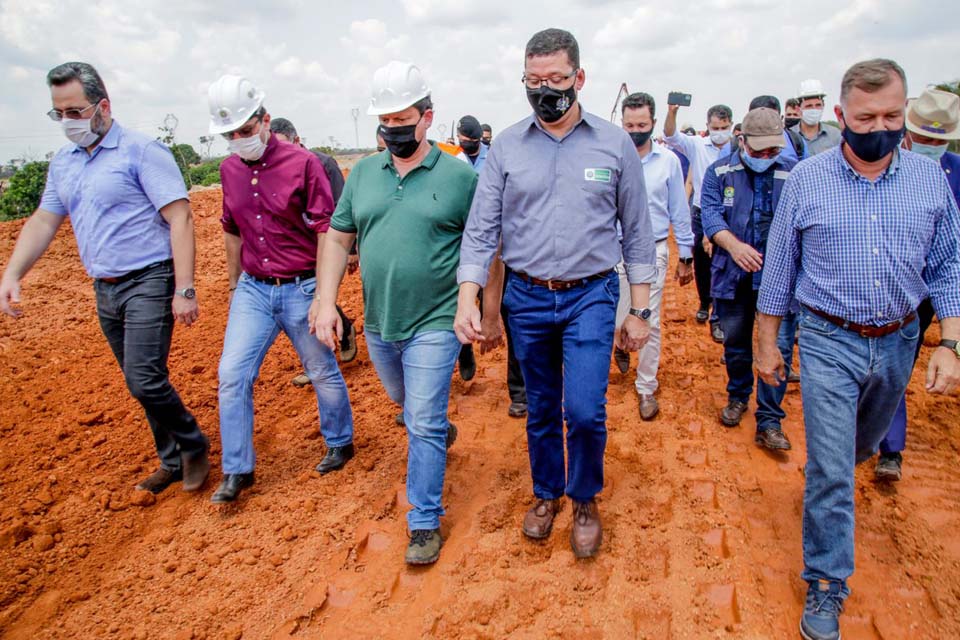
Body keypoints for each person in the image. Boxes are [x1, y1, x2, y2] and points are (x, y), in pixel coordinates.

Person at [756, 59, 960, 640]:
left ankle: (836, 477)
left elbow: (948, 265)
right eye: (867, 116)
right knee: (829, 466)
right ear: (842, 117)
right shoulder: (806, 181)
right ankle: (826, 583)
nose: (882, 126)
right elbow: (780, 272)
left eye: (893, 115)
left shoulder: (929, 182)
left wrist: (951, 341)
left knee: (860, 447)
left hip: (898, 339)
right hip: (827, 339)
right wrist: (768, 343)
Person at [456, 28, 656, 559]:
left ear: (579, 79)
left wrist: (639, 309)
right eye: (534, 81)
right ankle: (547, 493)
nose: (545, 90)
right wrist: (469, 300)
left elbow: (637, 233)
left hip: (590, 295)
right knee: (541, 405)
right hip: (526, 296)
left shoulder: (614, 145)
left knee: (585, 409)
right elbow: (481, 232)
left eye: (556, 80)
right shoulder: (505, 150)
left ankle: (585, 496)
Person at [0, 61, 210, 495]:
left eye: (75, 112)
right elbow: (44, 220)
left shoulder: (141, 150)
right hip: (105, 287)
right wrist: (13, 271)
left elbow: (180, 217)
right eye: (59, 113)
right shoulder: (65, 163)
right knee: (142, 381)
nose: (67, 122)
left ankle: (193, 443)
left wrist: (184, 288)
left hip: (150, 278)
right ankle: (171, 461)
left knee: (144, 377)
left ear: (103, 106)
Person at [313, 61, 487, 565]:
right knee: (406, 404)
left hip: (435, 319)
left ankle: (424, 521)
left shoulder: (459, 176)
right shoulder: (364, 173)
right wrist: (326, 303)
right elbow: (338, 236)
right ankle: (431, 427)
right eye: (384, 121)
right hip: (379, 321)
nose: (392, 130)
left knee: (424, 417)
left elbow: (481, 245)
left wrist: (475, 304)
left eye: (402, 119)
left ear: (428, 117)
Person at [207, 75, 354, 504]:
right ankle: (238, 469)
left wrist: (325, 298)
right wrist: (235, 285)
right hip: (253, 289)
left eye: (245, 130)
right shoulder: (228, 170)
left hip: (300, 284)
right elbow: (231, 229)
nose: (238, 140)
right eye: (229, 135)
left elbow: (328, 230)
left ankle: (340, 441)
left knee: (320, 367)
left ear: (264, 120)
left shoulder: (303, 164)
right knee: (232, 375)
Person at [875, 87, 960, 481]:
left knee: (897, 367)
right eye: (924, 138)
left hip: (929, 293)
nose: (929, 147)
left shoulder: (955, 171)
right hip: (883, 283)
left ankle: (890, 449)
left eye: (938, 141)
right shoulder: (883, 166)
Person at [701, 107, 797, 450]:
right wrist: (733, 245)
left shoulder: (794, 172)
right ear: (742, 141)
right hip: (732, 275)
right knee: (736, 343)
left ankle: (770, 420)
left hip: (779, 279)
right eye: (759, 151)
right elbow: (711, 216)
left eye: (774, 150)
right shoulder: (719, 172)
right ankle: (738, 395)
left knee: (779, 346)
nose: (767, 157)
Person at [614, 92, 694, 420]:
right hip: (614, 249)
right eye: (629, 124)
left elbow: (679, 209)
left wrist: (686, 253)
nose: (635, 130)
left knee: (648, 319)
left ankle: (646, 387)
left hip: (654, 249)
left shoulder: (668, 162)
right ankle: (620, 342)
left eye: (642, 124)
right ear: (622, 123)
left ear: (653, 123)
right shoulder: (612, 158)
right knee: (618, 314)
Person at [269, 117, 359, 373]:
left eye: (284, 145)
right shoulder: (271, 170)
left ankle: (323, 361)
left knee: (317, 294)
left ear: (297, 140)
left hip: (326, 243)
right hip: (297, 248)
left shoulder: (324, 164)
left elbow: (344, 207)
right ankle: (320, 359)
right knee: (305, 297)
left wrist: (350, 250)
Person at [664, 100, 734, 342]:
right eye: (715, 128)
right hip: (702, 211)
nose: (719, 133)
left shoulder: (738, 149)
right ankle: (705, 302)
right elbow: (671, 136)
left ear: (731, 125)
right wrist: (672, 112)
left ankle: (722, 313)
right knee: (702, 262)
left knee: (724, 264)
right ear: (708, 126)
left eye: (724, 127)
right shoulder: (697, 146)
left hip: (730, 214)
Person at [790, 79, 842, 156]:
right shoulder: (789, 137)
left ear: (823, 106)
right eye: (809, 106)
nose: (814, 109)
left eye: (818, 105)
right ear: (798, 109)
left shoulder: (835, 136)